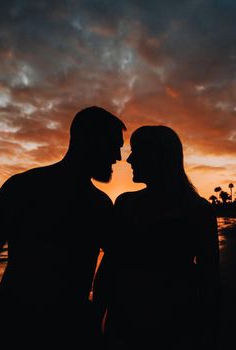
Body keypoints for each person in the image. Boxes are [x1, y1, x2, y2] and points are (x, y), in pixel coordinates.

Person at [0, 106, 126, 350]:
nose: (117, 156)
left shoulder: (101, 204)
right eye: (113, 145)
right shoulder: (24, 188)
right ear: (89, 139)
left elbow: (117, 262)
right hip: (12, 327)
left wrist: (96, 315)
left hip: (71, 331)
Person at [93, 125, 220, 350]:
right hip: (123, 322)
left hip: (175, 326)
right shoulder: (124, 203)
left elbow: (210, 278)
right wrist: (96, 317)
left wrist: (207, 334)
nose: (129, 160)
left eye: (137, 151)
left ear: (158, 156)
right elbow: (109, 267)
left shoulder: (198, 210)